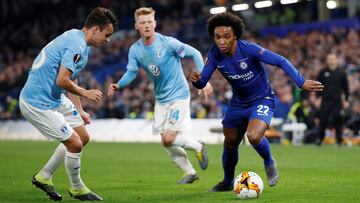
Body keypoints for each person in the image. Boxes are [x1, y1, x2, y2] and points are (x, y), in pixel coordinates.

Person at [190, 12, 324, 192]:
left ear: (235, 35)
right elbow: (203, 81)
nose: (222, 41)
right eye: (218, 37)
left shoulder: (249, 49)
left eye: (227, 37)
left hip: (262, 99)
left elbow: (280, 60)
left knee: (253, 136)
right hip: (238, 103)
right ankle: (227, 182)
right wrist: (196, 81)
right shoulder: (214, 55)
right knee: (230, 141)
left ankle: (269, 161)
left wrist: (301, 81)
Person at [19, 7, 117, 201]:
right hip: (37, 101)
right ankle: (77, 188)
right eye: (107, 35)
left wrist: (80, 110)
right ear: (95, 29)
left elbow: (71, 78)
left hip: (53, 97)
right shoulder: (77, 45)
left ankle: (44, 176)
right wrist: (86, 93)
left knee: (83, 136)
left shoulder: (77, 38)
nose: (108, 40)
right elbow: (62, 81)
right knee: (74, 143)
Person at [107, 7, 213, 184]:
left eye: (150, 21)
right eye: (143, 23)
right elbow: (131, 72)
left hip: (179, 95)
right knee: (166, 142)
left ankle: (199, 146)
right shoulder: (135, 50)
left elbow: (194, 53)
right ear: (136, 26)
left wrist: (203, 80)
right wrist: (118, 84)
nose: (147, 25)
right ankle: (190, 172)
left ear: (155, 23)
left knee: (170, 137)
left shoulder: (168, 43)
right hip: (161, 99)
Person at [316, 53, 349, 146]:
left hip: (337, 100)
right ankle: (320, 138)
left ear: (336, 60)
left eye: (333, 59)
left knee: (338, 119)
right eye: (329, 59)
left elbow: (346, 87)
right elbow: (318, 85)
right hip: (325, 99)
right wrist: (317, 98)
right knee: (323, 119)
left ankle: (339, 140)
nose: (331, 61)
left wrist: (346, 99)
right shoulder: (322, 72)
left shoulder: (341, 73)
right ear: (327, 60)